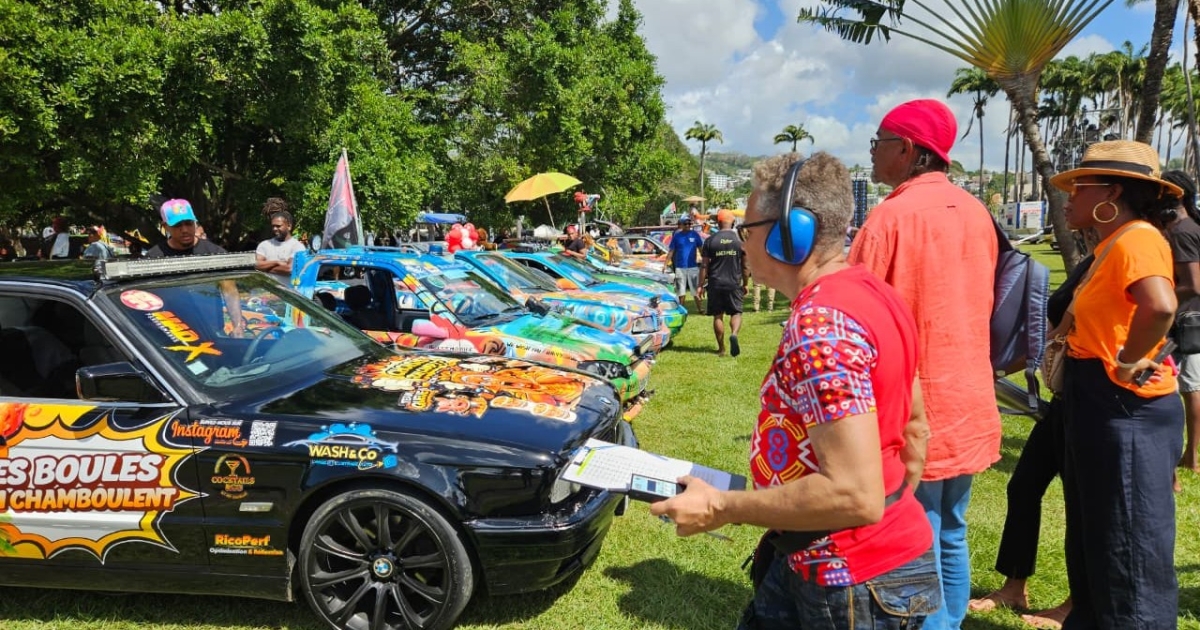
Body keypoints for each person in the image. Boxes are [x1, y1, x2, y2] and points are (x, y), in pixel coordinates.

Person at [651, 152, 939, 629]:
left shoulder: (822, 326)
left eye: (749, 229)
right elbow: (916, 430)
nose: (742, 244)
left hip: (847, 577)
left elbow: (855, 495)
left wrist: (719, 506)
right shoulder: (873, 291)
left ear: (791, 233)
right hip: (832, 554)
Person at [848, 98, 999, 630]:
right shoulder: (976, 211)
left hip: (915, 404)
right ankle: (949, 622)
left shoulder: (890, 216)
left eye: (878, 142)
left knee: (922, 533)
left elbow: (855, 316)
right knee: (950, 529)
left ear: (908, 150)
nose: (871, 154)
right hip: (969, 397)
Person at [1047, 140, 1183, 630]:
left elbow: (1161, 306)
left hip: (1122, 405)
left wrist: (1129, 362)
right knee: (1102, 537)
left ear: (1112, 191)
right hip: (1101, 402)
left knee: (1128, 548)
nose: (1067, 196)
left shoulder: (1135, 239)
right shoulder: (1113, 243)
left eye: (1078, 186)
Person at [967, 257, 1096, 629]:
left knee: (1082, 504)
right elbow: (1054, 333)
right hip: (1063, 400)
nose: (1068, 201)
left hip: (1093, 404)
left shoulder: (1133, 251)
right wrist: (995, 366)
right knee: (1023, 486)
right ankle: (1013, 586)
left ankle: (1077, 603)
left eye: (1078, 193)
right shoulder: (1093, 257)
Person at [147, 198, 245, 337]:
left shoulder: (215, 253)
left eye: (189, 223)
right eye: (177, 225)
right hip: (172, 334)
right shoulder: (153, 257)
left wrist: (238, 326)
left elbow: (230, 291)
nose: (185, 230)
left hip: (213, 332)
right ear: (165, 226)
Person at [1163, 169, 1200, 485]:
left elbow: (1192, 283)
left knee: (1182, 391)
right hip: (1189, 319)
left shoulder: (1182, 231)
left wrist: (1156, 298)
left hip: (1182, 322)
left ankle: (1185, 458)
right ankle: (1188, 457)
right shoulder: (1190, 227)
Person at [700, 209, 748, 357]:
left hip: (715, 283)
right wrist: (745, 283)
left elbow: (704, 266)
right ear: (733, 222)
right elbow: (745, 266)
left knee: (718, 315)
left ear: (718, 223)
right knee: (736, 312)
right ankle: (734, 333)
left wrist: (700, 285)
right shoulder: (739, 241)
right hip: (734, 282)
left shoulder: (710, 241)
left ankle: (721, 349)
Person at [255, 209, 306, 283]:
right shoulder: (264, 245)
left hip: (286, 292)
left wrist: (265, 267)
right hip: (266, 292)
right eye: (273, 226)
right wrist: (277, 262)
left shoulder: (297, 247)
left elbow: (290, 269)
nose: (275, 229)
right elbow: (256, 265)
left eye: (278, 226)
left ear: (289, 226)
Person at [667, 216, 704, 312]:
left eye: (689, 224)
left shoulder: (695, 234)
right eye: (686, 224)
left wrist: (705, 261)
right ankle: (681, 310)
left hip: (693, 267)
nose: (688, 225)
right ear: (681, 225)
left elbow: (701, 249)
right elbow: (671, 251)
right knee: (681, 291)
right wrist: (665, 264)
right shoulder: (677, 236)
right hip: (680, 267)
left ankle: (700, 309)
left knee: (695, 290)